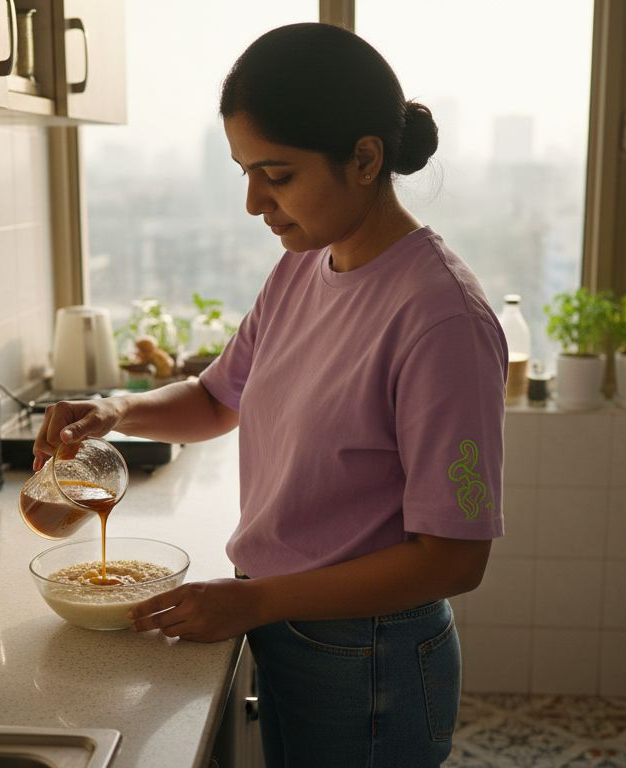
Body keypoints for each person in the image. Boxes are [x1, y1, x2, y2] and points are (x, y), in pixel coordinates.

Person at [33, 22, 506, 767]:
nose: (254, 201)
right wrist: (118, 409)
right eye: (244, 171)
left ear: (364, 159)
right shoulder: (303, 267)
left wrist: (256, 600)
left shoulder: (440, 317)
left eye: (276, 175)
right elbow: (220, 399)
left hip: (370, 654)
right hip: (286, 624)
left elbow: (454, 560)